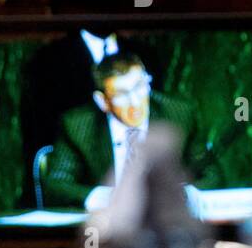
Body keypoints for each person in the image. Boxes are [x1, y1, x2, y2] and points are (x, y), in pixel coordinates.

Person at [43, 51, 215, 209]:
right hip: (110, 228)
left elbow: (212, 174)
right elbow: (56, 185)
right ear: (103, 101)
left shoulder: (178, 114)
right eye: (122, 95)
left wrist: (182, 195)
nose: (135, 103)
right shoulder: (78, 126)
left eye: (139, 87)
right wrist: (105, 198)